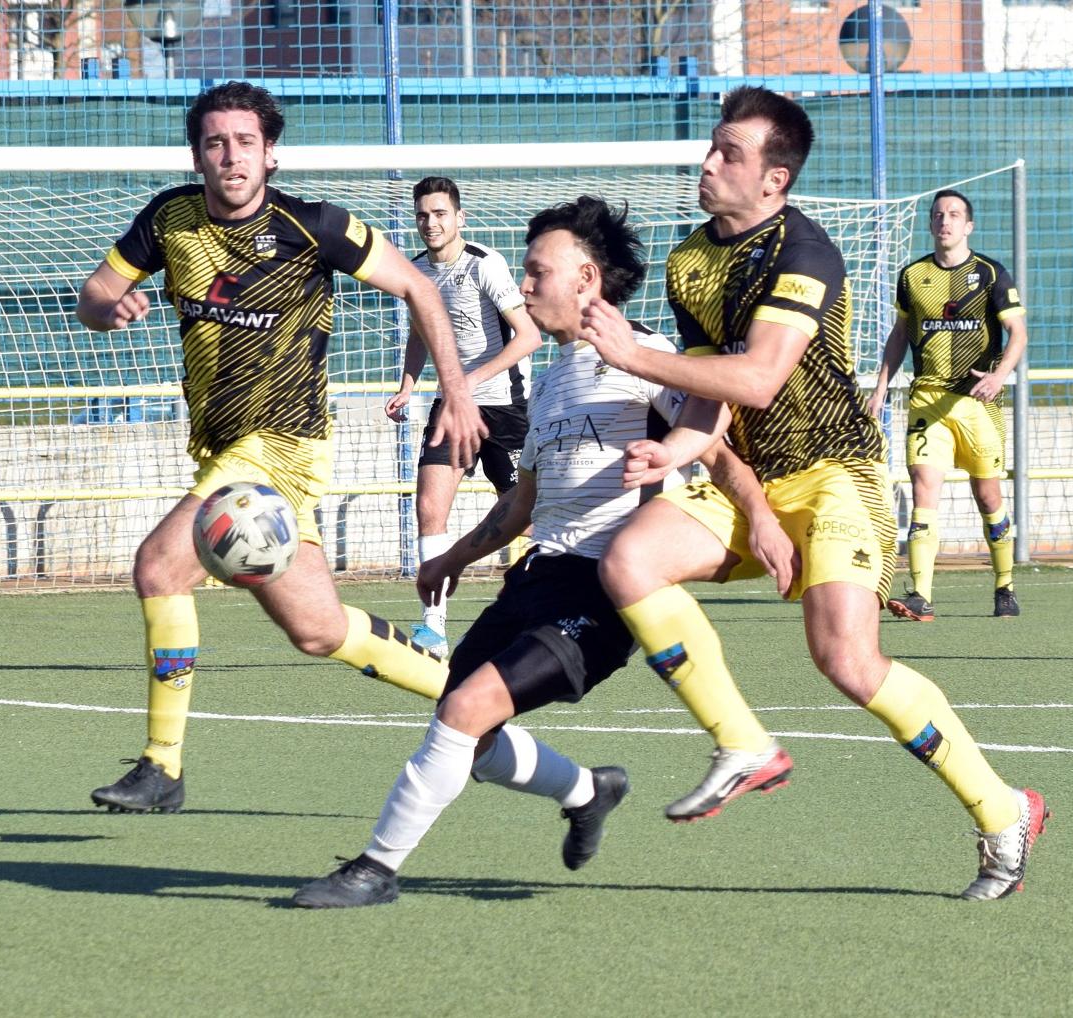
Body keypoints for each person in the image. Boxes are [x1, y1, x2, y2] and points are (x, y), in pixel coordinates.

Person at [578, 87, 1047, 901]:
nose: (709, 162)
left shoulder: (807, 251)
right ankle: (743, 746)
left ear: (775, 179)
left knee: (846, 661)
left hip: (838, 474)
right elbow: (710, 395)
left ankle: (1004, 810)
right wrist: (677, 447)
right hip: (748, 477)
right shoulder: (690, 260)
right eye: (712, 147)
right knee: (629, 563)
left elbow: (757, 377)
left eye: (730, 152)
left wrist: (631, 356)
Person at [76, 81, 486, 814]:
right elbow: (94, 293)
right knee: (320, 630)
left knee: (160, 567)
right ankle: (469, 692)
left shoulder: (316, 226)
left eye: (244, 142)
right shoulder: (169, 219)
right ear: (197, 153)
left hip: (283, 444)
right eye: (214, 142)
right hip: (222, 447)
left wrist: (455, 393)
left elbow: (420, 291)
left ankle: (161, 767)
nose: (230, 156)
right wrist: (111, 308)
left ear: (270, 153)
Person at [293, 195, 705, 908]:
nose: (526, 284)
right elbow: (521, 506)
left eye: (538, 271)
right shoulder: (550, 382)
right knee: (466, 727)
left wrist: (740, 509)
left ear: (587, 280)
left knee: (467, 710)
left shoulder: (649, 360)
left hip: (603, 592)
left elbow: (718, 442)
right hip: (538, 575)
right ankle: (588, 790)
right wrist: (450, 557)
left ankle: (374, 869)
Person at [384, 176, 542, 657]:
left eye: (439, 214)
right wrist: (409, 385)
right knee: (430, 507)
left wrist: (469, 381)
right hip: (451, 408)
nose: (430, 223)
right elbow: (419, 335)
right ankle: (433, 627)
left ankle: (557, 601)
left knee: (528, 515)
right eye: (422, 216)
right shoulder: (414, 273)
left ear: (459, 217)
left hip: (506, 407)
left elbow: (529, 336)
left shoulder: (484, 265)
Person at [868, 189, 1029, 621]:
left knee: (988, 495)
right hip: (928, 399)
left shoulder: (991, 274)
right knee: (923, 487)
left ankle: (1004, 585)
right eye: (939, 215)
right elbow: (900, 335)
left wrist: (999, 377)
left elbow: (1018, 333)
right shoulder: (912, 275)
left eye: (955, 215)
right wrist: (881, 387)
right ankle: (920, 593)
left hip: (977, 403)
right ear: (931, 224)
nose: (946, 221)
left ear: (968, 226)